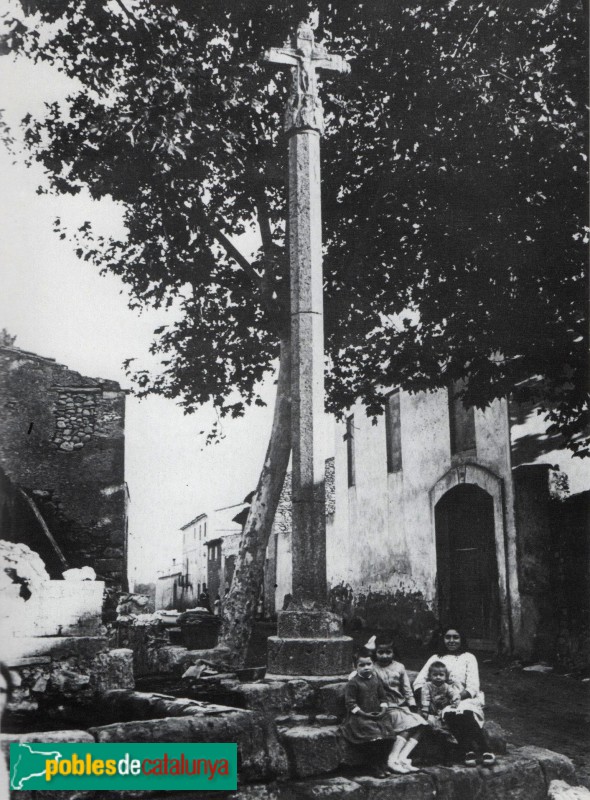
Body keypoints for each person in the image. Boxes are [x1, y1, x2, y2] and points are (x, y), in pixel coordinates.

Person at [413, 626, 496, 767]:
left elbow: (473, 687)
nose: (451, 641)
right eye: (448, 637)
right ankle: (468, 750)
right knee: (450, 713)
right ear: (442, 639)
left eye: (455, 637)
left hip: (464, 697)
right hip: (438, 701)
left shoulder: (469, 657)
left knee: (462, 711)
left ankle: (484, 749)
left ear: (461, 639)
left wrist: (454, 697)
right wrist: (430, 698)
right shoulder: (435, 658)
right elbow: (418, 682)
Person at [371, 636, 428, 774]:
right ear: (375, 652)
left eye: (388, 652)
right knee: (408, 726)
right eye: (380, 652)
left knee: (422, 724)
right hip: (386, 707)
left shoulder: (399, 667)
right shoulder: (372, 668)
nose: (385, 656)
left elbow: (407, 689)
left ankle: (402, 757)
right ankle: (392, 759)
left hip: (401, 704)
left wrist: (412, 705)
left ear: (393, 652)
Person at [340, 648, 396, 778]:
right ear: (355, 667)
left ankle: (383, 764)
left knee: (388, 735)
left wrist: (382, 710)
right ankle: (374, 766)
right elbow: (350, 704)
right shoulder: (353, 683)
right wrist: (364, 714)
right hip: (360, 717)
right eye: (362, 665)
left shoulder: (376, 679)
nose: (366, 668)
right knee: (374, 737)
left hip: (377, 715)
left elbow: (383, 697)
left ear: (373, 664)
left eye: (369, 664)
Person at [419, 660, 461, 740]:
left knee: (446, 720)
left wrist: (455, 699)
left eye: (441, 675)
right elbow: (425, 697)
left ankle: (444, 733)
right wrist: (425, 709)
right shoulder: (427, 685)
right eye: (435, 675)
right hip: (430, 708)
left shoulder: (447, 686)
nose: (438, 677)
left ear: (446, 676)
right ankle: (433, 732)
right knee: (428, 721)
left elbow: (453, 693)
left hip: (441, 708)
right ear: (430, 676)